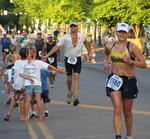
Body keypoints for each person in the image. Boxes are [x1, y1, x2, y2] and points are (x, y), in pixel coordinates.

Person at [104, 23, 147, 139]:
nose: (122, 34)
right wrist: (106, 62)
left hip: (129, 80)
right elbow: (106, 52)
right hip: (115, 79)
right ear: (116, 32)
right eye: (120, 32)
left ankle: (129, 135)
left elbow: (144, 64)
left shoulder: (132, 47)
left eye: (124, 32)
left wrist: (131, 61)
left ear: (128, 33)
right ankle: (118, 136)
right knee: (117, 109)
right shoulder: (110, 45)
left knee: (127, 112)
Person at [42, 22, 91, 106]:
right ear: (69, 27)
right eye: (71, 26)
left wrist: (89, 50)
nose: (73, 27)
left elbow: (86, 42)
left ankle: (76, 97)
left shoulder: (82, 36)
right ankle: (69, 92)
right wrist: (47, 55)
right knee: (69, 79)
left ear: (77, 27)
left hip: (77, 59)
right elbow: (56, 47)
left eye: (74, 26)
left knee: (76, 77)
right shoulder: (65, 37)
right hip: (68, 59)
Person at [20, 46, 65, 121]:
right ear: (34, 54)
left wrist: (29, 78)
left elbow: (21, 74)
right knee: (38, 100)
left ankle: (25, 117)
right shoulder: (38, 62)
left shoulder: (24, 63)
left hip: (28, 84)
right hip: (37, 84)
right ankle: (40, 116)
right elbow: (49, 67)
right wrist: (58, 70)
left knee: (28, 100)